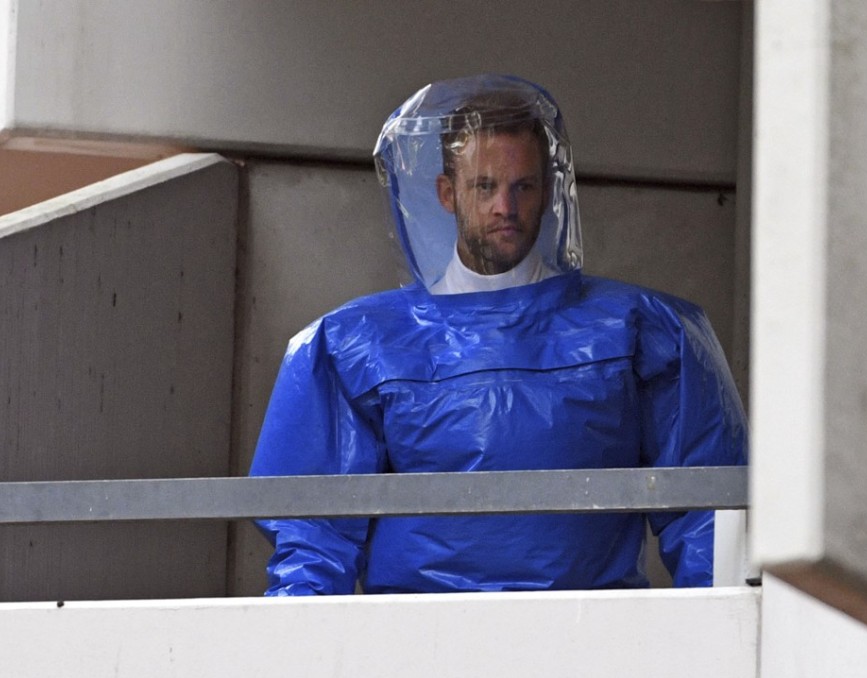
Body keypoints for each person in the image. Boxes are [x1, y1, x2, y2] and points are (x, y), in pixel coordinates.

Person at [249, 74, 748, 595]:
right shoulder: (355, 345)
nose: (505, 208)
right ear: (447, 192)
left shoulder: (644, 331)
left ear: (549, 191)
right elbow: (311, 538)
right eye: (484, 186)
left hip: (591, 648)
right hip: (422, 648)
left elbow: (711, 522)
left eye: (523, 186)